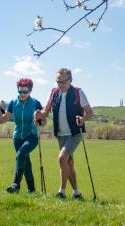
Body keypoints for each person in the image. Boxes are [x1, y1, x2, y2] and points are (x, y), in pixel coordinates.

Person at [35, 68, 93, 199]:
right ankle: (77, 193)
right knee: (69, 162)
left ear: (70, 80)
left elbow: (89, 112)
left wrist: (83, 119)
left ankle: (61, 192)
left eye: (63, 82)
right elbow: (45, 111)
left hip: (75, 133)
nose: (60, 84)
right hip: (60, 134)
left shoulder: (78, 92)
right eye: (57, 82)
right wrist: (39, 114)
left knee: (62, 158)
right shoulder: (54, 92)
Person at [0, 78, 44, 193]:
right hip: (17, 138)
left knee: (21, 154)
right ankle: (31, 189)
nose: (22, 94)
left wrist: (40, 118)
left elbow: (44, 121)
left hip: (31, 136)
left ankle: (15, 184)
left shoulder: (35, 102)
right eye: (20, 92)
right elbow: (2, 120)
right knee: (25, 162)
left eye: (25, 92)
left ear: (30, 91)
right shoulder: (13, 103)